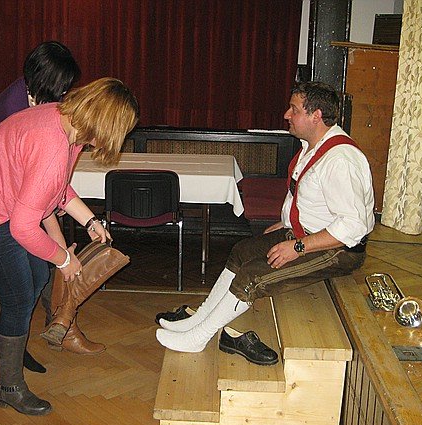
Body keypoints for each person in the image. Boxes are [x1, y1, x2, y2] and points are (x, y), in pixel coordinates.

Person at [0, 77, 139, 416]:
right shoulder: (52, 144)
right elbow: (24, 227)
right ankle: (9, 388)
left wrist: (90, 222)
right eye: (119, 131)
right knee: (19, 298)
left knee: (38, 275)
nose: (117, 139)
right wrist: (64, 259)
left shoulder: (65, 122)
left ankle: (13, 343)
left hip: (0, 207)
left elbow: (58, 188)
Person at [156, 81, 374, 360]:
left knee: (252, 276)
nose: (286, 115)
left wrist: (298, 247)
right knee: (242, 251)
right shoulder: (314, 146)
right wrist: (287, 222)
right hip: (303, 232)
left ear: (316, 116)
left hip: (338, 250)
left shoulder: (340, 160)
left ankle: (199, 338)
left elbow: (352, 226)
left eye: (294, 110)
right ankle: (198, 320)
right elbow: (309, 199)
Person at [0, 41, 104, 368]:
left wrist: (84, 222)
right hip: (0, 201)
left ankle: (55, 326)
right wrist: (61, 249)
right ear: (40, 80)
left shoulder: (44, 100)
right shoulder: (14, 108)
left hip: (22, 197)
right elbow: (35, 187)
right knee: (26, 282)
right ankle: (26, 337)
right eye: (61, 87)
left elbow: (54, 182)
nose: (65, 94)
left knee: (38, 274)